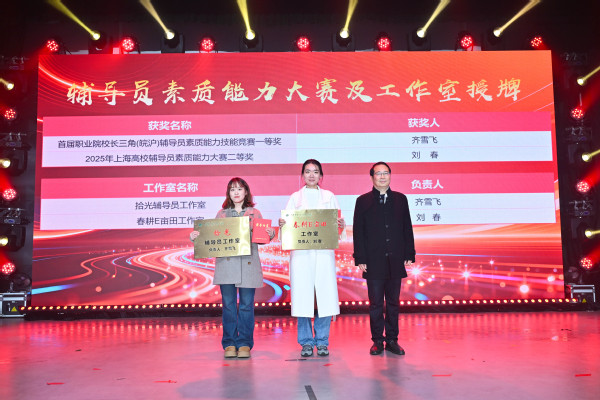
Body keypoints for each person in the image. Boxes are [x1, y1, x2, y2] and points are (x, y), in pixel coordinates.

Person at [190, 177, 275, 359]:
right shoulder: (222, 214)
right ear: (228, 193)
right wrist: (197, 236)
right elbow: (211, 239)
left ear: (246, 192)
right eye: (232, 189)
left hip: (248, 264)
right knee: (228, 306)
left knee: (246, 306)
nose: (236, 192)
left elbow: (262, 239)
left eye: (239, 188)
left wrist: (271, 234)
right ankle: (229, 343)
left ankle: (244, 343)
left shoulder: (255, 213)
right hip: (226, 265)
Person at [279, 159, 346, 357]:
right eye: (307, 171)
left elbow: (338, 228)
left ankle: (322, 341)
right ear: (302, 175)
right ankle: (306, 342)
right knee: (303, 298)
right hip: (301, 255)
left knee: (325, 297)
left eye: (315, 171)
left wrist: (340, 225)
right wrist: (283, 224)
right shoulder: (295, 198)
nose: (311, 175)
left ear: (321, 176)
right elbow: (287, 228)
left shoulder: (329, 196)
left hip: (324, 253)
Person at [352, 162, 416, 356]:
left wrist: (409, 253)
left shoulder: (400, 199)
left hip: (395, 258)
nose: (382, 177)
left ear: (390, 176)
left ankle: (392, 340)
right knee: (376, 303)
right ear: (372, 177)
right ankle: (378, 341)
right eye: (378, 173)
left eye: (385, 173)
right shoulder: (362, 201)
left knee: (394, 302)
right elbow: (358, 232)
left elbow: (407, 227)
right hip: (373, 260)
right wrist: (360, 258)